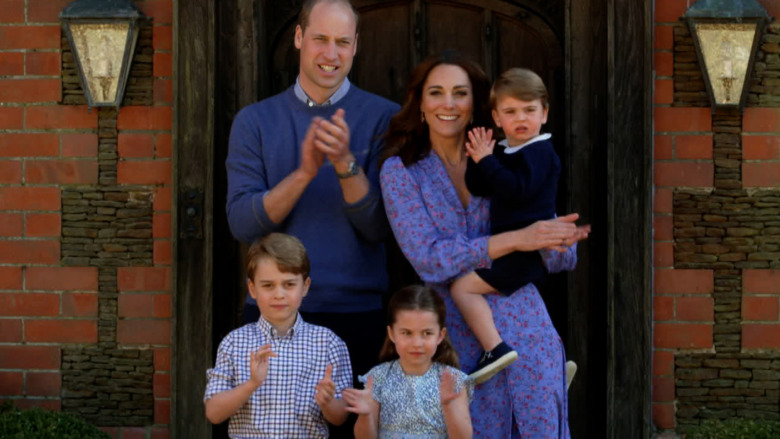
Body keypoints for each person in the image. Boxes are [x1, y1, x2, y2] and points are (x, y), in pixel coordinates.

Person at [379, 51, 589, 437]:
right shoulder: (401, 172)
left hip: (527, 328)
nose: (448, 104)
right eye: (436, 93)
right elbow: (429, 260)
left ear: (475, 105)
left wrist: (559, 241)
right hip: (454, 337)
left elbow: (554, 253)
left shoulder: (506, 156)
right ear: (421, 104)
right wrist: (515, 240)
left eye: (460, 93)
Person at [225, 0, 399, 407]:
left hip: (357, 315)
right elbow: (242, 224)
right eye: (320, 39)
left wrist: (344, 163)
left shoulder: (385, 119)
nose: (331, 54)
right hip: (273, 318)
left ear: (356, 45)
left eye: (342, 42)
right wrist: (303, 173)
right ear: (299, 38)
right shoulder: (254, 121)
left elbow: (380, 228)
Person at [449, 68, 561, 384]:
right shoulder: (507, 150)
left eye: (529, 110)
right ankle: (544, 367)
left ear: (545, 113)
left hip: (524, 253)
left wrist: (488, 160)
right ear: (497, 118)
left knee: (462, 287)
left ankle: (495, 349)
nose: (521, 118)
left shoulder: (540, 152)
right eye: (511, 112)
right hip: (509, 249)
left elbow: (516, 189)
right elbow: (480, 186)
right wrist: (478, 156)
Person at [204, 233, 352, 438]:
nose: (279, 294)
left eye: (289, 284)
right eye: (268, 285)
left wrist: (327, 402)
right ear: (252, 288)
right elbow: (213, 413)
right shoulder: (234, 342)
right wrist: (251, 384)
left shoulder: (328, 343)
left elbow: (340, 418)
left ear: (305, 286)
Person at [342, 285, 472, 439]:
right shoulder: (378, 377)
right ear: (392, 333)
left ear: (440, 335)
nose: (417, 343)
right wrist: (365, 415)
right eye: (407, 333)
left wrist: (449, 407)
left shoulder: (453, 380)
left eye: (427, 333)